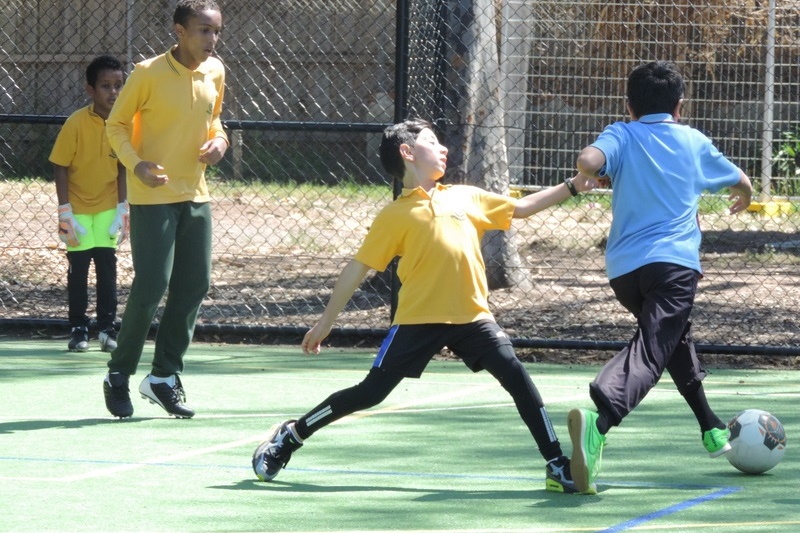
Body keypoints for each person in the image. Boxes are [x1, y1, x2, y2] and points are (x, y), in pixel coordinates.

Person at [252, 118, 601, 493]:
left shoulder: (465, 195)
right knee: (371, 393)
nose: (443, 148)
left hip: (472, 317)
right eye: (433, 142)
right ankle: (292, 435)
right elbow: (357, 269)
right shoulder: (394, 215)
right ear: (407, 152)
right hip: (418, 320)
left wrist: (572, 186)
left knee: (515, 374)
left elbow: (520, 208)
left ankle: (555, 463)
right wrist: (325, 323)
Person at [567, 60, 753, 494]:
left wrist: (590, 169)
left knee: (673, 338)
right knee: (653, 348)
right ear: (680, 107)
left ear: (628, 106)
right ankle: (600, 419)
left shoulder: (620, 133)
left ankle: (710, 427)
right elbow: (742, 180)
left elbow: (587, 160)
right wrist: (743, 194)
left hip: (624, 272)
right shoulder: (693, 141)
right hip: (673, 267)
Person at [102, 0, 228, 419]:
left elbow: (216, 121)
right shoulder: (147, 73)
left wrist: (219, 143)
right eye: (203, 30)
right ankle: (118, 374)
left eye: (216, 32)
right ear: (179, 31)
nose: (211, 39)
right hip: (152, 196)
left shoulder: (216, 71)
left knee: (194, 285)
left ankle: (162, 377)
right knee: (153, 284)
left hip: (196, 194)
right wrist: (135, 164)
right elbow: (115, 125)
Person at [50, 55, 127, 353]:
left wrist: (123, 207)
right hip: (79, 209)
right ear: (90, 90)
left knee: (107, 268)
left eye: (118, 85)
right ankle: (78, 328)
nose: (113, 92)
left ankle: (107, 328)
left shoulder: (123, 124)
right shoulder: (75, 123)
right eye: (106, 86)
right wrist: (64, 211)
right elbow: (60, 166)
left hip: (108, 206)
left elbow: (122, 167)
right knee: (78, 269)